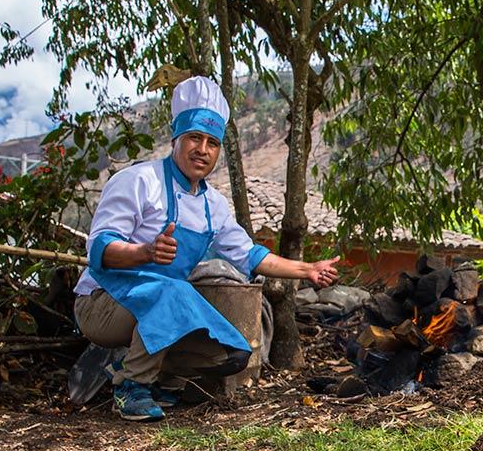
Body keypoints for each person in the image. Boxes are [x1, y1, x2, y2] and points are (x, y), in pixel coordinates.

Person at [74, 76, 339, 422]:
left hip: (160, 305)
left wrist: (307, 270)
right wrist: (145, 253)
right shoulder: (139, 181)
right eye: (194, 138)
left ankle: (161, 380)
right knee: (174, 292)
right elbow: (100, 248)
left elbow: (251, 255)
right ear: (176, 140)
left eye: (212, 142)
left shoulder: (213, 205)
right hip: (103, 304)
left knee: (231, 353)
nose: (202, 149)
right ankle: (131, 385)